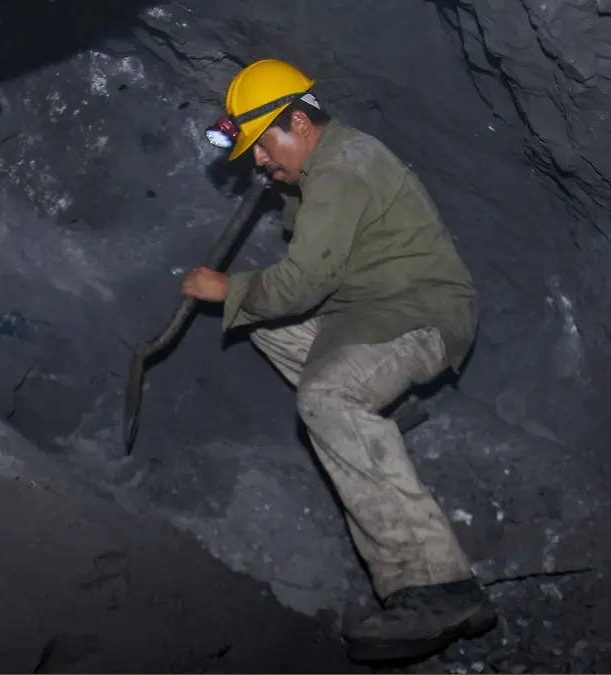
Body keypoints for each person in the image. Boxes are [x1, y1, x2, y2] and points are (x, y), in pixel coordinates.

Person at [181, 59, 498, 663]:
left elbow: (306, 281)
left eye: (263, 145)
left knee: (325, 397)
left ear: (299, 123)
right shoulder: (333, 165)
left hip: (419, 314)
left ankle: (438, 586)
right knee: (260, 320)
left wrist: (227, 289)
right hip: (371, 309)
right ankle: (385, 415)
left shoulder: (340, 170)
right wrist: (288, 191)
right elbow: (318, 268)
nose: (258, 161)